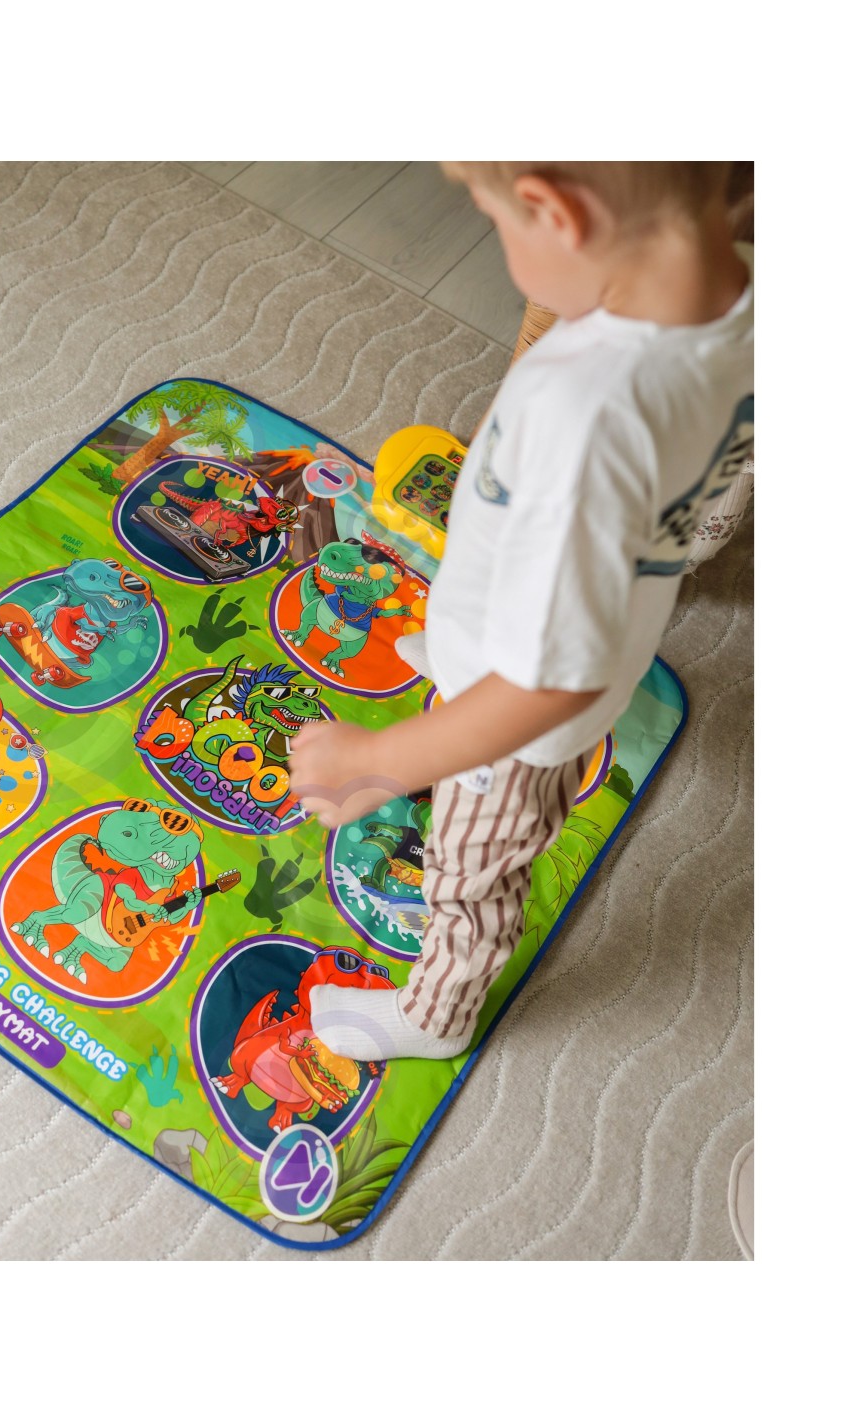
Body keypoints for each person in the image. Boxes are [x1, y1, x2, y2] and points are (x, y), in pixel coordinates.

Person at [289, 161, 754, 1063]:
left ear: (552, 211)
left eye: (490, 212)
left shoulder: (588, 421)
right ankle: (466, 656)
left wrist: (380, 762)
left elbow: (550, 683)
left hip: (519, 728)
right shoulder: (730, 287)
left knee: (470, 871)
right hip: (574, 605)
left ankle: (436, 1013)